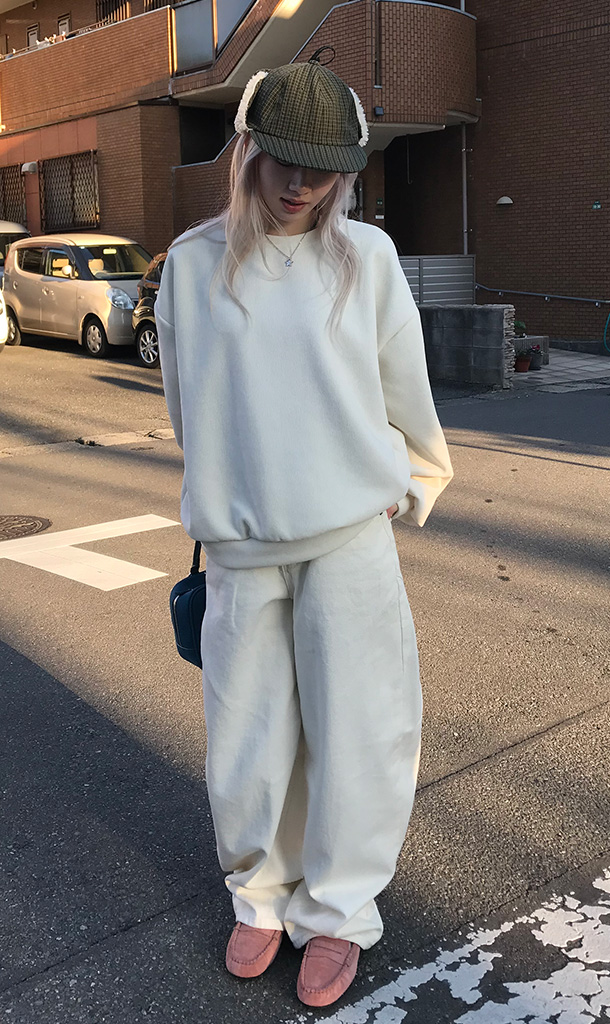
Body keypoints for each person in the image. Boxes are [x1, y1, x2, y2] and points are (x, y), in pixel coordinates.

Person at [155, 50, 453, 1009]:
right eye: (284, 161)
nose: (302, 185)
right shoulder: (192, 264)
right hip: (241, 545)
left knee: (360, 732)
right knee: (248, 741)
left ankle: (339, 912)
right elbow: (190, 410)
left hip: (348, 538)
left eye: (323, 169)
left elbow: (404, 385)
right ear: (248, 148)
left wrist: (413, 481)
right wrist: (230, 487)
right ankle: (259, 895)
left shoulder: (367, 259)